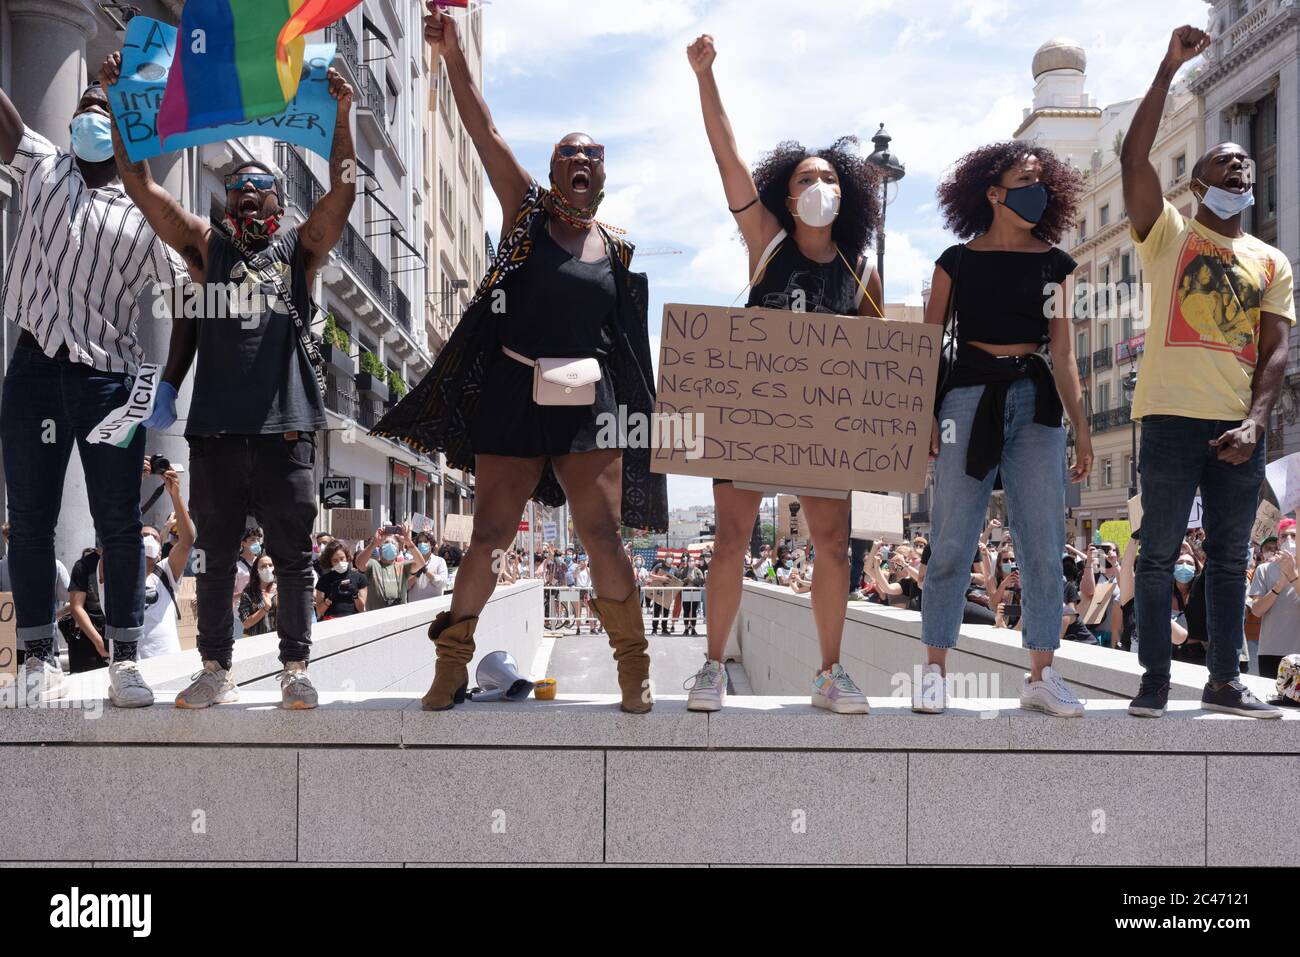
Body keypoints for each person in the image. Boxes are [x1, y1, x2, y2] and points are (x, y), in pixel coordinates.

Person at [371, 7, 667, 715]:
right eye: (569, 153)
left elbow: (630, 348)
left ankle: (635, 667)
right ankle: (449, 665)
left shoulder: (618, 253)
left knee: (602, 535)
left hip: (587, 401)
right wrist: (451, 58)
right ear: (555, 168)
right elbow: (484, 131)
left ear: (605, 174)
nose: (581, 162)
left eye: (593, 155)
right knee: (490, 536)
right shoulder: (526, 213)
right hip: (511, 388)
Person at [99, 52, 357, 712]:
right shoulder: (205, 247)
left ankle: (295, 669)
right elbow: (138, 185)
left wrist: (346, 116)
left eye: (259, 186)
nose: (246, 194)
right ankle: (215, 668)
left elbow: (347, 192)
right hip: (214, 437)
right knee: (212, 556)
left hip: (286, 434)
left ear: (279, 201)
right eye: (237, 186)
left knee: (294, 558)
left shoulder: (301, 250)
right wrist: (119, 99)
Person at [684, 35, 886, 715]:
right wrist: (707, 77)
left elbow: (881, 366)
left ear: (846, 192)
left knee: (832, 541)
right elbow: (726, 155)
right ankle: (711, 665)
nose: (818, 186)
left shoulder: (862, 270)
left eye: (829, 177)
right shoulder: (766, 240)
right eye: (805, 178)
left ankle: (831, 673)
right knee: (733, 537)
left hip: (820, 423)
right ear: (786, 192)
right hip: (750, 404)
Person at [1121, 26, 1294, 719]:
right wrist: (1167, 68)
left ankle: (1224, 680)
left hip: (1237, 427)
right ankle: (1155, 681)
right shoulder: (1168, 232)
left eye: (1247, 166)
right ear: (1195, 184)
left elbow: (1276, 349)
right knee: (1157, 554)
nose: (1241, 170)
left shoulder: (1271, 260)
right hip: (1165, 417)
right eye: (1226, 161)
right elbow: (1133, 154)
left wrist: (1256, 421)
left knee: (1228, 558)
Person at [0, 76, 188, 705]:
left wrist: (170, 380)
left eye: (103, 109)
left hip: (109, 381)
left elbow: (187, 294)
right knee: (28, 522)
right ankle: (35, 656)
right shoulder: (42, 165)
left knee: (119, 523)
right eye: (85, 105)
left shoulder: (144, 214)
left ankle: (126, 659)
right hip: (31, 372)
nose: (89, 113)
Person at [918, 134, 1091, 718]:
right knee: (950, 538)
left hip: (1037, 404)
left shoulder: (1056, 264)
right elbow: (925, 347)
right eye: (1025, 184)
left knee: (1042, 541)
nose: (1038, 193)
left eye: (1044, 182)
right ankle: (934, 672)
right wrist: (921, 419)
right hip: (966, 397)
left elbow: (1064, 354)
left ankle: (1042, 673)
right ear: (992, 193)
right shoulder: (956, 262)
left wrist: (1083, 430)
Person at [134, 464, 195, 676]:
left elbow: (187, 540)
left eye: (154, 537)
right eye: (142, 536)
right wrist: (133, 484)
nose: (148, 540)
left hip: (169, 664)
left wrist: (175, 494)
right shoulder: (117, 574)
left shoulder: (166, 571)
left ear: (160, 551)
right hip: (131, 667)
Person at [1248, 519, 1299, 680]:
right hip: (1270, 650)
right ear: (1278, 541)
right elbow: (1256, 610)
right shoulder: (1263, 569)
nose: (1288, 540)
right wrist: (1280, 584)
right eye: (1284, 536)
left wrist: (1292, 575)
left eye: (1293, 535)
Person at [357, 524, 426, 611]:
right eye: (386, 543)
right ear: (380, 549)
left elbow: (421, 564)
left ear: (397, 551)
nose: (390, 545)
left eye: (393, 543)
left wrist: (408, 542)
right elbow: (359, 564)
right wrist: (373, 544)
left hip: (398, 616)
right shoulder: (373, 564)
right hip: (376, 617)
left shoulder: (402, 566)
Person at [66, 546, 109, 674]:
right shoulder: (83, 565)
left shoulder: (129, 560)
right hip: (91, 639)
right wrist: (99, 643)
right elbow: (76, 606)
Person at [314, 541, 367, 621]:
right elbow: (319, 611)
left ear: (347, 557)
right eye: (335, 560)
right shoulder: (323, 580)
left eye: (342, 558)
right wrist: (330, 598)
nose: (340, 562)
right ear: (330, 562)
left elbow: (361, 609)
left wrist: (355, 595)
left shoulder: (360, 577)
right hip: (331, 622)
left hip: (354, 621)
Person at [238, 555, 278, 638]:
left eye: (270, 565)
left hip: (276, 638)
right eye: (263, 566)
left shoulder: (281, 589)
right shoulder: (248, 593)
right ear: (257, 571)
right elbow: (246, 624)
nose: (268, 568)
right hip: (255, 640)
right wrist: (264, 608)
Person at [407, 532, 450, 601]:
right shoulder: (411, 562)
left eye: (425, 541)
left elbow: (442, 583)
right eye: (420, 542)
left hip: (432, 605)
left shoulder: (440, 561)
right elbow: (405, 586)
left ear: (432, 545)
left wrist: (426, 571)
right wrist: (416, 576)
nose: (422, 544)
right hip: (414, 606)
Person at [681, 556, 705, 635]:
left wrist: (693, 580)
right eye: (690, 561)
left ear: (695, 562)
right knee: (686, 610)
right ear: (687, 562)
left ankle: (693, 629)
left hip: (695, 592)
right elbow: (680, 581)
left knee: (694, 610)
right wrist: (687, 579)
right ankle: (686, 629)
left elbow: (701, 581)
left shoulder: (698, 570)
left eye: (693, 560)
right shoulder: (684, 570)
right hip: (686, 591)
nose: (691, 562)